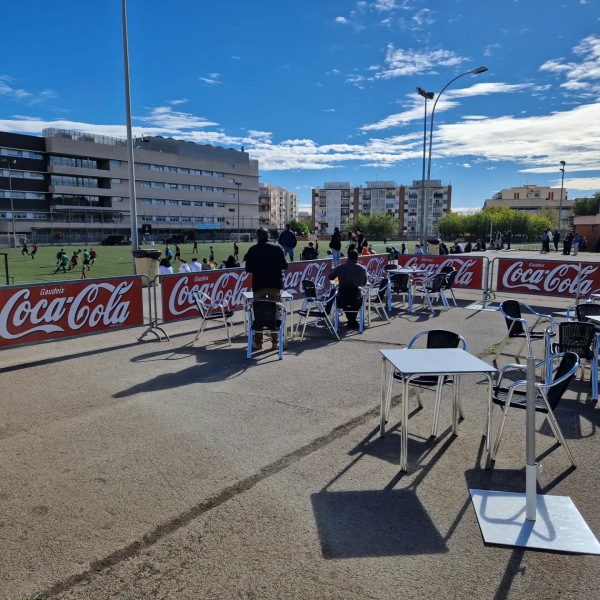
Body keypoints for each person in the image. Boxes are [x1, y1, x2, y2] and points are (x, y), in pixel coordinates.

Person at [245, 227, 289, 350]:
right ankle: (275, 343)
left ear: (257, 237)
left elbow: (248, 268)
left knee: (259, 314)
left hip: (259, 285)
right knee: (275, 313)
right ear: (268, 235)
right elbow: (284, 265)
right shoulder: (277, 247)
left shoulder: (253, 249)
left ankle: (258, 343)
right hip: (275, 285)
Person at [328, 249, 367, 329]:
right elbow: (364, 283)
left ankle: (351, 320)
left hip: (342, 298)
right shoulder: (362, 269)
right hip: (356, 298)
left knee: (343, 298)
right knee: (356, 300)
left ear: (348, 257)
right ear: (357, 258)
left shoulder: (340, 267)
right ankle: (352, 320)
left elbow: (330, 277)